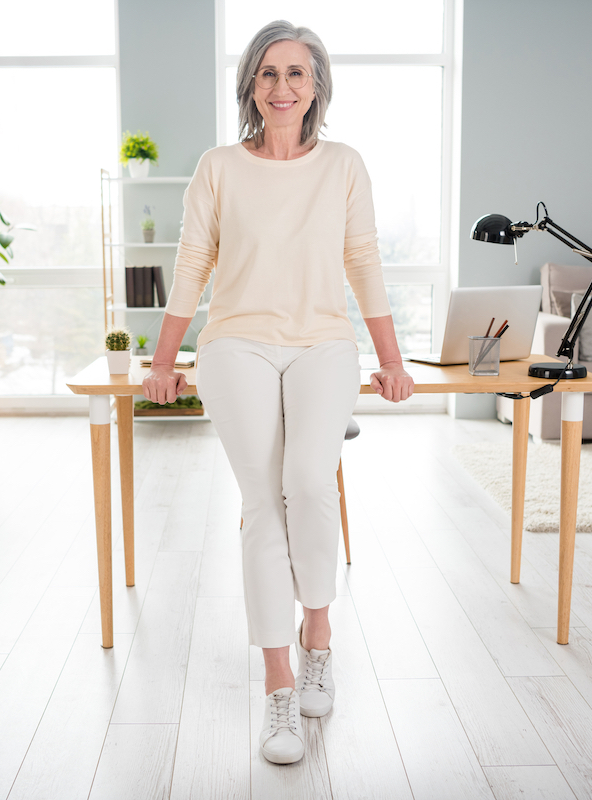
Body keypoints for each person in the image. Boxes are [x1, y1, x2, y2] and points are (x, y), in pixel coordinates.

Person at [142, 19, 414, 766]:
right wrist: (162, 363)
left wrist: (391, 361)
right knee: (262, 500)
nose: (283, 87)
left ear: (317, 85)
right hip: (236, 342)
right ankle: (278, 687)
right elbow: (192, 263)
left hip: (325, 340)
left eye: (297, 73)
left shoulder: (345, 165)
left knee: (309, 483)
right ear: (250, 88)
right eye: (268, 74)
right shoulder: (219, 166)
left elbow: (364, 261)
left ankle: (318, 631)